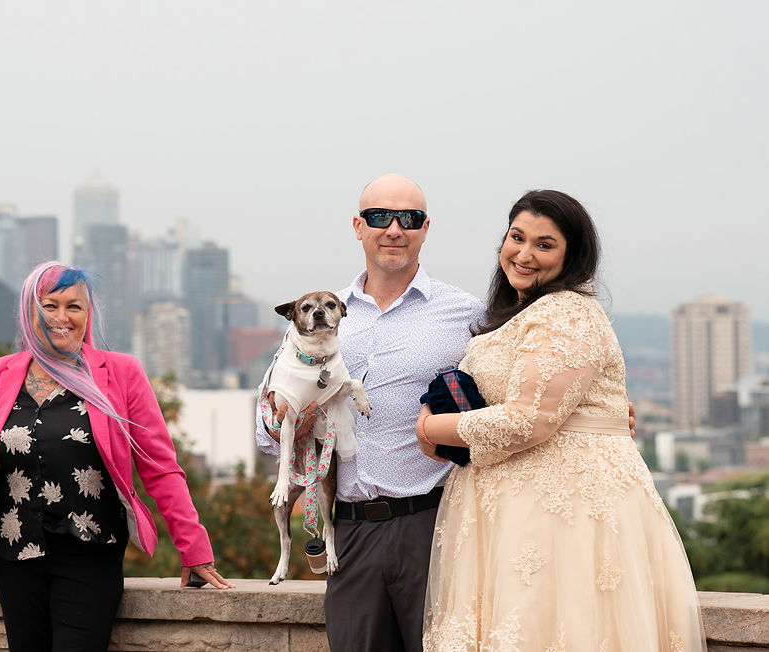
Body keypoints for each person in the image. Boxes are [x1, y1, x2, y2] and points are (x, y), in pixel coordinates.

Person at [417, 191, 705, 650]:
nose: (524, 254)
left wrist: (430, 430)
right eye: (517, 237)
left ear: (572, 254)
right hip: (515, 514)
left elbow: (529, 420)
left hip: (560, 517)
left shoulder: (566, 311)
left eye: (544, 244)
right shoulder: (519, 311)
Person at [257, 173, 486, 652]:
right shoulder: (317, 314)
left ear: (426, 228)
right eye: (381, 217)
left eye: (410, 218)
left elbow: (517, 393)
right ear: (359, 226)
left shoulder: (465, 313)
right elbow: (267, 426)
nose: (395, 229)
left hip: (434, 525)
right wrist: (279, 417)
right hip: (351, 529)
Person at [0, 261, 233, 652]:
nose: (62, 317)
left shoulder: (119, 373)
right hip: (15, 559)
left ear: (88, 315)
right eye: (50, 305)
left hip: (90, 555)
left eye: (74, 306)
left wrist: (193, 547)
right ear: (29, 310)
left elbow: (160, 466)